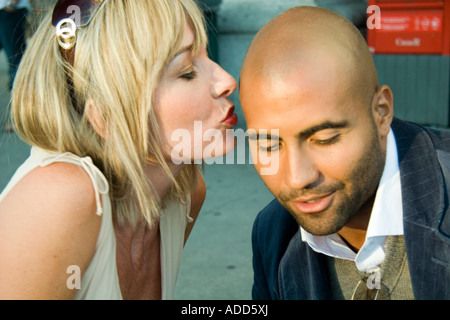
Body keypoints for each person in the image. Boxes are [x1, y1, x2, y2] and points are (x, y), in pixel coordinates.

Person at [0, 0, 237, 300]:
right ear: (107, 116)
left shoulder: (185, 195)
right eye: (187, 71)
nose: (227, 81)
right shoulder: (59, 197)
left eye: (207, 55)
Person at [239, 6, 450, 300]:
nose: (298, 177)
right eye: (269, 145)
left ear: (381, 112)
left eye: (324, 139)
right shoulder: (273, 232)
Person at [0, 0, 30, 132]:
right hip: (6, 11)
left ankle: (20, 118)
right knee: (16, 63)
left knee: (16, 64)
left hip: (10, 11)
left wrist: (12, 4)